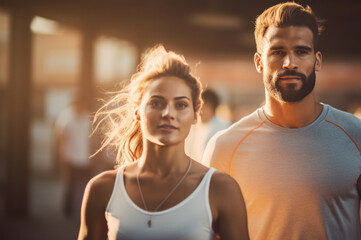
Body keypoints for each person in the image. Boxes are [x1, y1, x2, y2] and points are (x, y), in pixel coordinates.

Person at [202, 2, 361, 240]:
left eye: (301, 51)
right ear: (259, 63)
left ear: (317, 60)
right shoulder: (225, 147)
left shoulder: (360, 136)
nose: (289, 62)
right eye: (278, 52)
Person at [78, 45, 249, 240]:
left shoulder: (221, 189)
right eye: (157, 103)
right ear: (137, 111)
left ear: (195, 115)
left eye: (181, 105)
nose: (168, 113)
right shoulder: (103, 188)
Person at [55, 95, 92, 221]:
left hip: (84, 158)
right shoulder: (66, 118)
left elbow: (90, 138)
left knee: (86, 186)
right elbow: (60, 139)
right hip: (70, 157)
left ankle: (84, 210)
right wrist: (62, 159)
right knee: (70, 186)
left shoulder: (87, 118)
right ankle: (67, 212)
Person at [186, 88, 230, 160]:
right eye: (197, 107)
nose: (199, 111)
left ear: (212, 107)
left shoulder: (222, 129)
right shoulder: (195, 127)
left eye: (203, 107)